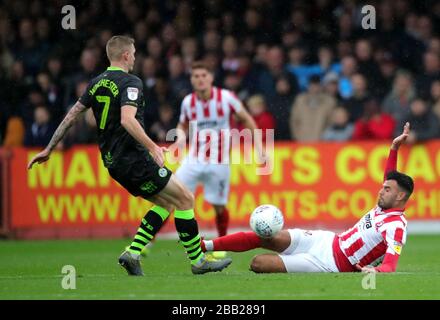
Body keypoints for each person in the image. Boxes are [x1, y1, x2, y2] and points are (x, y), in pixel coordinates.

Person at [27, 35, 232, 276]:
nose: (135, 57)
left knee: (166, 203)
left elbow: (72, 115)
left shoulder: (96, 83)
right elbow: (127, 120)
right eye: (133, 53)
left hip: (113, 163)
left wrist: (49, 148)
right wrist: (152, 147)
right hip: (134, 159)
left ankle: (132, 254)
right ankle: (198, 261)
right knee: (186, 199)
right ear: (125, 55)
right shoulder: (131, 82)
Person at [201, 123, 413, 273]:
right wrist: (394, 148)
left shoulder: (396, 225)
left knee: (258, 263)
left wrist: (376, 271)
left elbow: (390, 264)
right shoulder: (382, 209)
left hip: (331, 263)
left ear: (400, 196)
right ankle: (205, 246)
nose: (381, 190)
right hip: (328, 240)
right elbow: (389, 176)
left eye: (387, 189)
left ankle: (292, 262)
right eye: (383, 187)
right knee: (264, 236)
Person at [175, 61, 263, 237]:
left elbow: (246, 119)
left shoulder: (226, 98)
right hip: (193, 159)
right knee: (172, 196)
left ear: (211, 78)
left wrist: (260, 148)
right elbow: (182, 125)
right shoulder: (188, 102)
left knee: (219, 206)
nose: (200, 80)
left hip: (219, 161)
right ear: (191, 80)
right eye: (196, 76)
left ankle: (221, 242)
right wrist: (179, 137)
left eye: (203, 75)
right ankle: (149, 243)